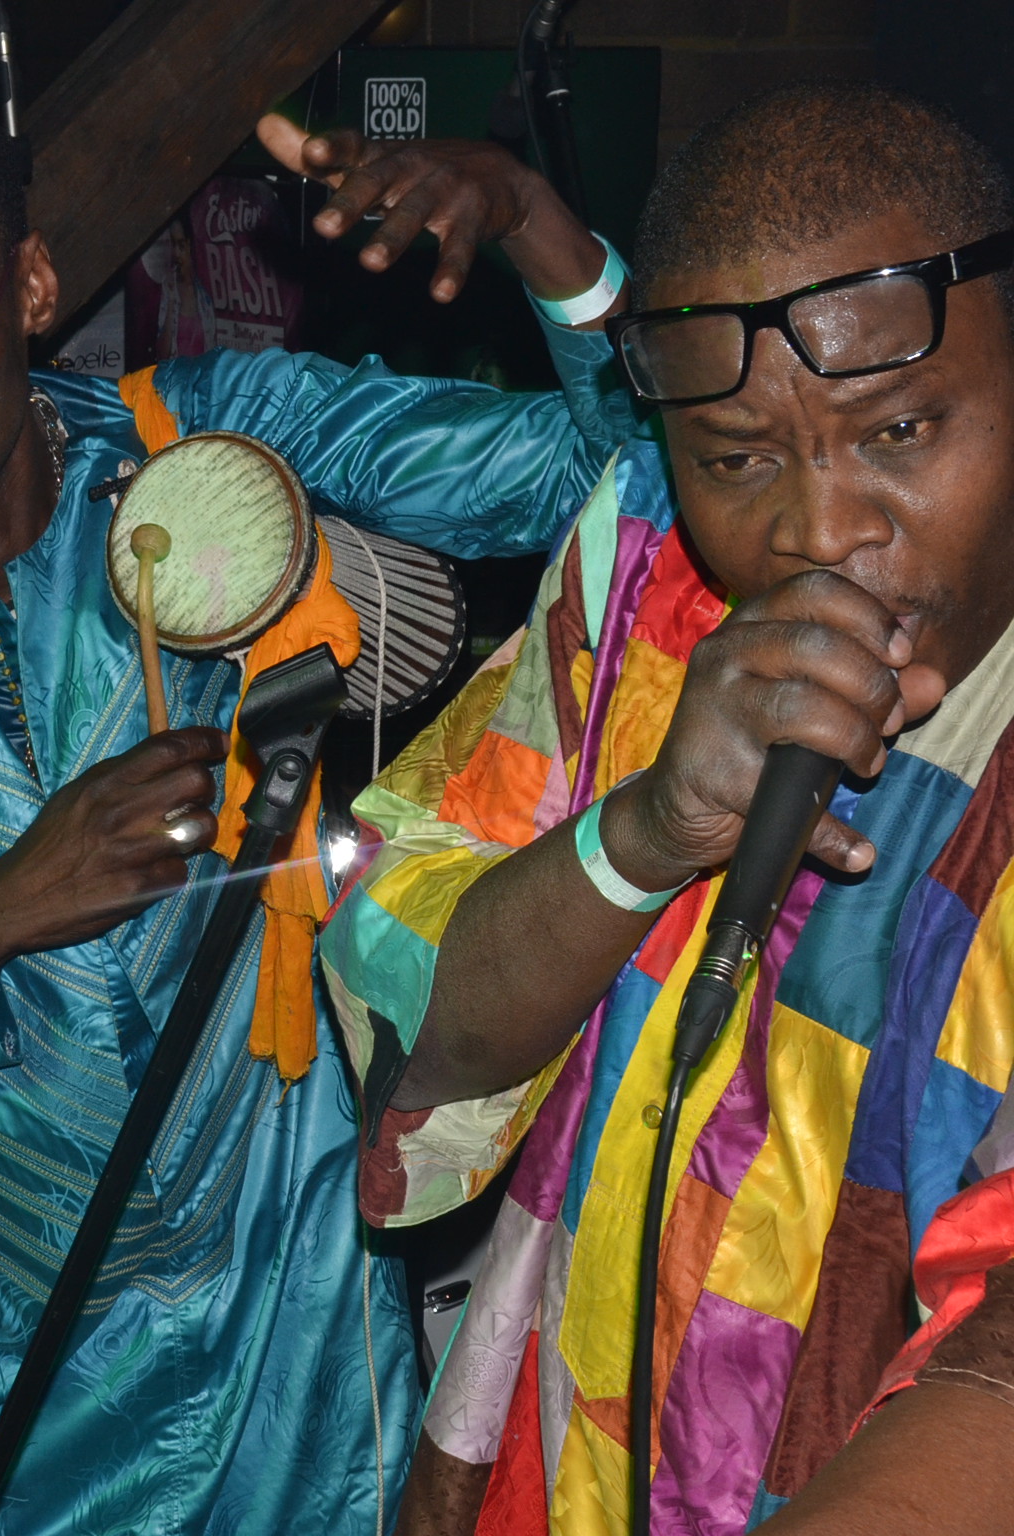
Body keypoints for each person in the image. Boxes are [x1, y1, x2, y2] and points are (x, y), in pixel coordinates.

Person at [0, 91, 636, 1535]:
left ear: (32, 291)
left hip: (290, 1354)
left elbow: (629, 472)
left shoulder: (219, 447)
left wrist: (539, 227)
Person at [318, 82, 1014, 1536]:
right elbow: (407, 1025)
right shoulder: (638, 578)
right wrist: (636, 839)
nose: (820, 534)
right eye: (741, 461)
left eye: (900, 431)